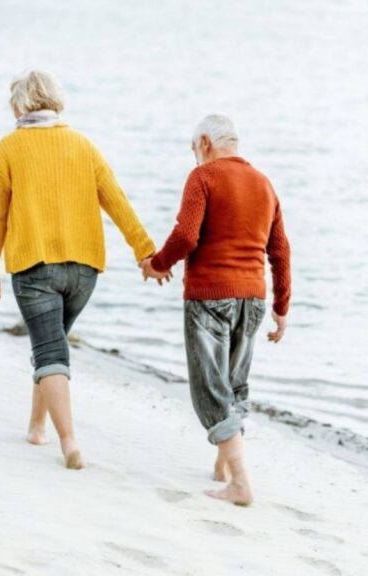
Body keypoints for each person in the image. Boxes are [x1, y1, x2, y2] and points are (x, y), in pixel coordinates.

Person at [0, 69, 163, 470]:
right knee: (53, 344)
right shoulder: (83, 145)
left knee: (49, 349)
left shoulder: (9, 148)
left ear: (19, 105)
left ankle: (69, 442)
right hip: (84, 271)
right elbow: (117, 202)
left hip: (34, 266)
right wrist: (145, 253)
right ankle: (35, 427)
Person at [142, 114, 291, 506]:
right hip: (252, 298)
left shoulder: (203, 177)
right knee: (234, 384)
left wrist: (158, 263)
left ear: (205, 142)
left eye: (195, 150)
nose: (195, 159)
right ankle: (224, 466)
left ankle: (240, 483)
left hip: (209, 296)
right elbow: (279, 250)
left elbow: (187, 234)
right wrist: (281, 306)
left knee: (209, 391)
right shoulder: (264, 183)